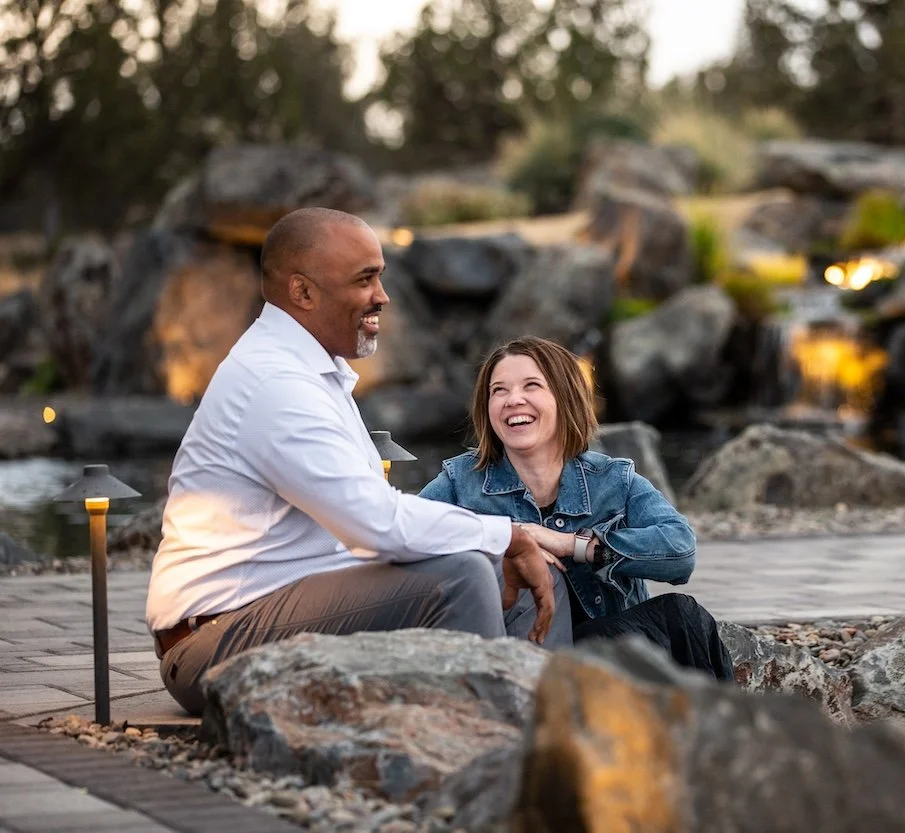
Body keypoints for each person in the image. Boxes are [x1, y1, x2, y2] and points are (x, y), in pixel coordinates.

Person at [145, 207, 570, 716]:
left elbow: (376, 519)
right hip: (212, 642)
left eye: (380, 277)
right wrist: (506, 534)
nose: (382, 296)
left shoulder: (311, 370)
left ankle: (547, 730)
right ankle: (481, 745)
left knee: (528, 571)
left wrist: (508, 544)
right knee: (461, 575)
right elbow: (376, 524)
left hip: (284, 604)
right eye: (365, 279)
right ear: (302, 293)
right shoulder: (274, 383)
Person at [419, 336, 734, 680]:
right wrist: (498, 543)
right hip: (513, 653)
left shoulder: (613, 480)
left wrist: (572, 545)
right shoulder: (460, 481)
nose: (513, 400)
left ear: (564, 396)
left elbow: (680, 551)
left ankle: (718, 728)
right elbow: (404, 539)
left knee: (682, 615)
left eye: (531, 386)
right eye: (499, 390)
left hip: (604, 648)